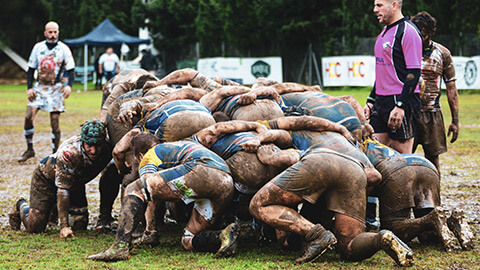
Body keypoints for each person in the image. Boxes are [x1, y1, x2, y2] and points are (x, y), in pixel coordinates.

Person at [88, 133, 239, 261]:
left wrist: (149, 230)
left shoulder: (149, 155)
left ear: (139, 155)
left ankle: (119, 247)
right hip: (226, 182)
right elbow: (160, 190)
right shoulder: (178, 146)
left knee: (134, 188)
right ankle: (222, 236)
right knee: (188, 240)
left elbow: (147, 187)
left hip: (201, 171)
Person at [9, 119, 112, 238]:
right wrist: (64, 226)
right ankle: (20, 204)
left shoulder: (109, 146)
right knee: (35, 226)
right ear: (82, 141)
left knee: (79, 225)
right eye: (89, 145)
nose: (93, 151)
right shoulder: (69, 152)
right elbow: (62, 191)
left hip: (74, 183)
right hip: (47, 179)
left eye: (97, 145)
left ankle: (54, 209)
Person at [363, 0, 422, 154]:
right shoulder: (382, 33)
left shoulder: (408, 31)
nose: (375, 10)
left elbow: (414, 72)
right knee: (374, 153)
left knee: (402, 158)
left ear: (394, 5)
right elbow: (383, 72)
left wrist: (401, 105)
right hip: (381, 101)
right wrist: (371, 100)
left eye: (379, 5)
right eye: (375, 5)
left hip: (400, 100)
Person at [18, 21, 75, 162]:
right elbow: (30, 69)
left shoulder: (64, 49)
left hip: (55, 89)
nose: (53, 35)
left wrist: (69, 86)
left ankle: (55, 154)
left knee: (55, 122)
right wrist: (29, 88)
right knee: (28, 117)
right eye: (50, 32)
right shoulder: (38, 48)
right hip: (39, 88)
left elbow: (71, 69)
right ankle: (29, 149)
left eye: (55, 32)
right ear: (45, 33)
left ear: (58, 32)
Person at [411, 11, 460, 172]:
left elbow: (451, 89)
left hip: (432, 114)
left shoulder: (443, 54)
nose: (420, 39)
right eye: (417, 35)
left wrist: (455, 121)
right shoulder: (405, 51)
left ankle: (434, 196)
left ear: (430, 33)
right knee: (402, 158)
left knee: (433, 160)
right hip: (408, 112)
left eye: (423, 35)